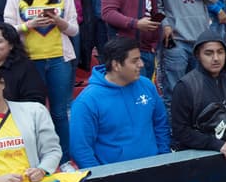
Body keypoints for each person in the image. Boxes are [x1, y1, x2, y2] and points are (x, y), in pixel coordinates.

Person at [4, 0, 79, 162]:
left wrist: (59, 22)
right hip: (28, 61)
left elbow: (74, 30)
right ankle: (33, 158)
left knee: (59, 113)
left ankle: (64, 159)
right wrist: (29, 25)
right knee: (31, 114)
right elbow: (7, 29)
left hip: (59, 60)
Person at [70, 36, 170, 169]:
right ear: (116, 65)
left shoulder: (147, 85)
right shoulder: (87, 101)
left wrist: (163, 158)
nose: (141, 64)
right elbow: (80, 148)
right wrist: (102, 178)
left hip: (154, 168)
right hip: (114, 178)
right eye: (135, 61)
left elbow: (161, 123)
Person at [169, 29, 226, 163]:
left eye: (220, 52)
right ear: (198, 55)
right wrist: (216, 144)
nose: (216, 58)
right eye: (208, 53)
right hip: (196, 158)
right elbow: (181, 131)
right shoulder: (185, 86)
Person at [152, 0, 221, 103]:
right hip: (176, 40)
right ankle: (174, 128)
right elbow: (156, 7)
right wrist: (166, 24)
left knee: (200, 89)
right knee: (174, 90)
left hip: (200, 39)